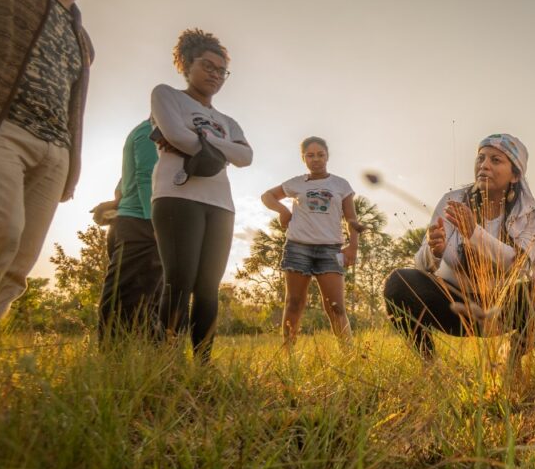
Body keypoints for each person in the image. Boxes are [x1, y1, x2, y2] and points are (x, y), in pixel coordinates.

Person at [0, 0, 121, 349]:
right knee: (1, 231)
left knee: (19, 263)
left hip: (55, 152)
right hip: (5, 131)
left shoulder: (83, 40)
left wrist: (70, 163)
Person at [383, 134, 535, 367]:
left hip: (500, 309)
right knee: (398, 282)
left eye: (496, 160)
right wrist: (434, 251)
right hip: (452, 304)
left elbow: (519, 264)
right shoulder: (453, 200)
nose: (484, 165)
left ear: (515, 175)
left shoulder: (530, 217)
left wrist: (473, 233)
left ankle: (510, 356)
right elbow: (422, 265)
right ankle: (430, 364)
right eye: (480, 158)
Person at [150, 29, 252, 362]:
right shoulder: (167, 95)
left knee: (208, 288)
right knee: (179, 281)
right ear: (186, 64)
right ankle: (166, 362)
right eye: (207, 66)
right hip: (177, 196)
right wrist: (224, 148)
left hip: (221, 204)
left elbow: (246, 158)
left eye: (221, 70)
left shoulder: (227, 120)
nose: (215, 75)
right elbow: (177, 136)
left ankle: (203, 365)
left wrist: (205, 139)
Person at [261, 136, 363, 346]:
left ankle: (349, 354)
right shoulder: (296, 183)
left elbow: (351, 219)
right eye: (310, 155)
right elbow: (267, 196)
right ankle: (287, 354)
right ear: (303, 158)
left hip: (330, 250)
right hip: (298, 247)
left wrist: (353, 246)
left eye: (320, 155)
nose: (316, 159)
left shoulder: (340, 184)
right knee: (294, 303)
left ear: (327, 156)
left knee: (336, 306)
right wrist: (282, 210)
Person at [92, 118, 161, 343]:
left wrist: (114, 204)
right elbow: (145, 177)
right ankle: (114, 361)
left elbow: (125, 183)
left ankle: (154, 360)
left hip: (130, 221)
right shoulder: (148, 133)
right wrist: (155, 223)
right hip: (141, 224)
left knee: (149, 298)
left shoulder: (151, 133)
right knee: (127, 297)